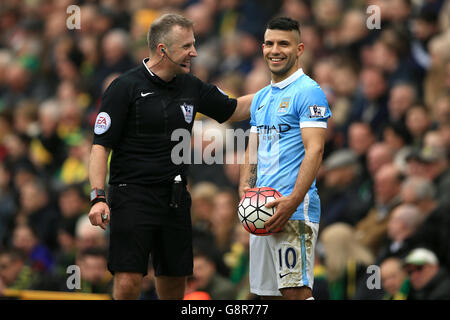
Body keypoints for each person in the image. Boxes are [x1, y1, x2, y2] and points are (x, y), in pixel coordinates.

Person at [88, 13, 254, 300]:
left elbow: (236, 109)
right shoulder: (124, 87)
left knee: (175, 283)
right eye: (187, 46)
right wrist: (98, 196)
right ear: (163, 50)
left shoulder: (191, 85)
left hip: (175, 198)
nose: (195, 52)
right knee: (128, 281)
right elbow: (100, 145)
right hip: (132, 196)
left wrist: (281, 89)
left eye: (194, 44)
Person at [239, 17, 331, 300]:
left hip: (294, 208)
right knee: (266, 294)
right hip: (262, 208)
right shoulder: (262, 97)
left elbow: (315, 150)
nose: (275, 50)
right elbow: (252, 149)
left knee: (295, 292)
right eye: (269, 43)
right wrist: (244, 191)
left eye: (283, 44)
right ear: (262, 47)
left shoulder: (309, 91)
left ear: (300, 48)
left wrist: (293, 201)